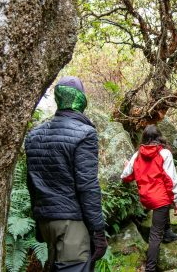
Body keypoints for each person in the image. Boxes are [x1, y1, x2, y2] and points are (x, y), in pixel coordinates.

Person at [25, 76, 107, 272]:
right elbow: (87, 186)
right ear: (81, 99)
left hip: (46, 223)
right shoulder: (85, 133)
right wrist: (98, 231)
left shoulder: (34, 135)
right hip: (72, 225)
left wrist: (39, 222)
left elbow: (31, 182)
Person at [121, 125, 177, 272]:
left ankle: (168, 233)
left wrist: (128, 166)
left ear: (144, 138)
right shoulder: (164, 153)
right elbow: (170, 180)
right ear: (159, 137)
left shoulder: (136, 155)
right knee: (155, 235)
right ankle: (150, 268)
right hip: (159, 198)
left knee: (163, 203)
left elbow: (126, 177)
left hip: (146, 198)